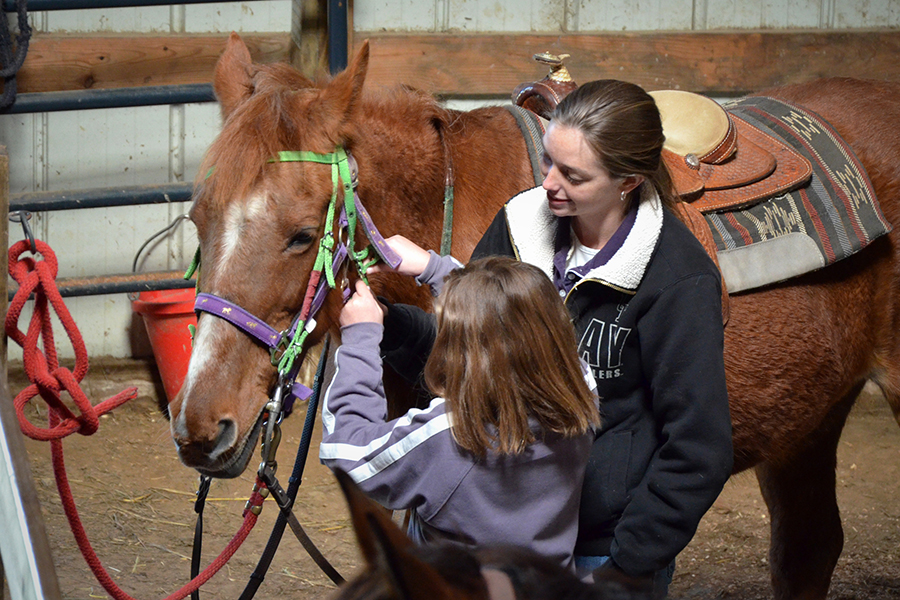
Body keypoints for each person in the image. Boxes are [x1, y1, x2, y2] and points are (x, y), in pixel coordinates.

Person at [375, 79, 734, 597]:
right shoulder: (519, 225)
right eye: (548, 162)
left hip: (600, 545)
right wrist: (388, 323)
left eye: (573, 175)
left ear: (628, 180)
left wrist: (626, 565)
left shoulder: (677, 278)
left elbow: (699, 448)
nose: (549, 183)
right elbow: (470, 355)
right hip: (503, 529)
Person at [319, 256, 600, 569]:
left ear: (462, 352)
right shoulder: (580, 393)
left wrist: (361, 337)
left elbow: (348, 453)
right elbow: (511, 320)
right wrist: (433, 268)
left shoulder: (450, 436)